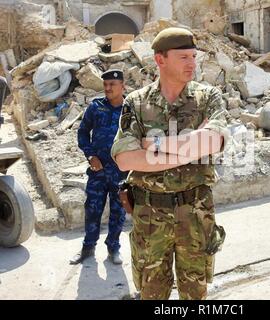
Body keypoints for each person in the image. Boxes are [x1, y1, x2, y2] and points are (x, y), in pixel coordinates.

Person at [111, 27, 229, 300]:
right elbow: (125, 159)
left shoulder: (208, 97)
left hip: (196, 213)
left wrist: (155, 146)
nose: (192, 63)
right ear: (160, 60)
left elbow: (214, 142)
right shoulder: (137, 103)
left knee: (195, 294)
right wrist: (191, 148)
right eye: (183, 57)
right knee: (152, 293)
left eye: (193, 56)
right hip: (150, 214)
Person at [70, 69, 127, 265]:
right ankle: (88, 247)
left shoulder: (131, 108)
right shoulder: (96, 107)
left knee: (118, 211)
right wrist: (91, 155)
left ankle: (114, 248)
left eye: (112, 84)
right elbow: (83, 132)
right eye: (105, 85)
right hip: (98, 170)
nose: (108, 88)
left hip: (122, 171)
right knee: (92, 209)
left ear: (122, 86)